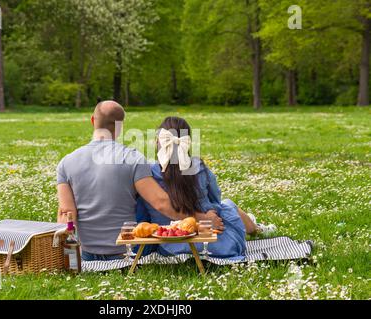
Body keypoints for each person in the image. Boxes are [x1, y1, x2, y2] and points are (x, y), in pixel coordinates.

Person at [56, 101, 223, 261]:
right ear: (121, 126)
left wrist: (64, 256)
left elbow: (66, 214)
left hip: (87, 253)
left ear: (93, 121)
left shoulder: (66, 163)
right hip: (129, 250)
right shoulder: (133, 158)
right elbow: (161, 203)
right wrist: (202, 218)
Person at [136, 116, 276, 259]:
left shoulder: (146, 173)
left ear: (157, 142)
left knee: (226, 206)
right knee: (227, 205)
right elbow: (216, 200)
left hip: (171, 246)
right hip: (219, 245)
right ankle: (256, 229)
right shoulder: (199, 168)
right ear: (187, 143)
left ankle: (255, 227)